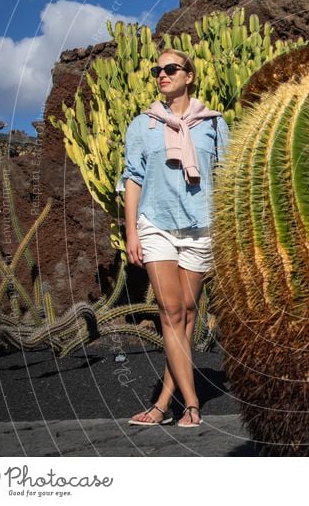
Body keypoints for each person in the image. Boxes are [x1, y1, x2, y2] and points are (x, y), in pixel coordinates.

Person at [121, 48, 229, 427]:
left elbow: (227, 175)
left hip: (200, 224)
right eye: (157, 70)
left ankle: (163, 402)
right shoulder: (142, 125)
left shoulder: (213, 124)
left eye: (170, 69)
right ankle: (193, 402)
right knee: (169, 310)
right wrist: (132, 230)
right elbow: (132, 178)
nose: (162, 75)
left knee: (184, 317)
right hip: (156, 225)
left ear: (189, 76)